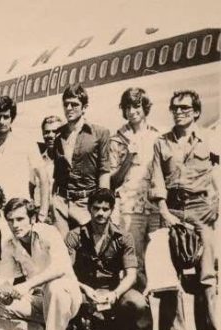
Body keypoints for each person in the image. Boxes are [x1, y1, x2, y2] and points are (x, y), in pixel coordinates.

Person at [149, 90, 217, 330]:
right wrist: (164, 211)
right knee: (170, 274)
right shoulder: (161, 143)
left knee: (206, 274)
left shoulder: (209, 139)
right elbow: (157, 179)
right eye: (175, 108)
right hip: (173, 208)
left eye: (185, 108)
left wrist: (217, 203)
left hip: (201, 209)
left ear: (196, 112)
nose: (179, 112)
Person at [0, 198, 82, 330]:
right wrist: (3, 290)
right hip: (38, 301)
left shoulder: (49, 232)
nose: (15, 225)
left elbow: (60, 267)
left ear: (32, 218)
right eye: (10, 220)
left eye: (20, 219)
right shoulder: (10, 244)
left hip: (66, 298)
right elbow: (4, 277)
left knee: (54, 287)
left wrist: (26, 285)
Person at [65, 189, 151, 330]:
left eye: (105, 209)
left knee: (137, 302)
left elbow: (131, 275)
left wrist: (115, 294)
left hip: (111, 290)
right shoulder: (74, 236)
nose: (100, 213)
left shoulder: (124, 237)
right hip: (84, 292)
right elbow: (65, 272)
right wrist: (84, 288)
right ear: (89, 208)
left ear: (111, 210)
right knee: (67, 298)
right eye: (96, 208)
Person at [108, 88, 163, 292]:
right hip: (130, 209)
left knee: (159, 260)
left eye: (136, 106)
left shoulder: (158, 137)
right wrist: (129, 158)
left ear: (145, 107)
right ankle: (140, 308)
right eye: (127, 107)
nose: (132, 111)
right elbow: (112, 180)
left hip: (155, 208)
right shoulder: (117, 140)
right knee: (135, 262)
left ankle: (161, 308)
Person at [0, 95, 50, 223]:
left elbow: (43, 178)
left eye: (6, 117)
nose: (1, 121)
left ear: (12, 118)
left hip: (20, 213)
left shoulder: (26, 142)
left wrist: (43, 211)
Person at [50, 84, 111, 236]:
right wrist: (53, 200)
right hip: (61, 203)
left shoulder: (100, 133)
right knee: (62, 247)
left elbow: (104, 171)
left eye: (74, 104)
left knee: (90, 244)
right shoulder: (58, 135)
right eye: (66, 104)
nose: (69, 108)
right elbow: (56, 174)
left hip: (86, 203)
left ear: (84, 107)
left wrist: (103, 204)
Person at [31, 116, 63, 209]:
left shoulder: (69, 161)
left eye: (55, 132)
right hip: (39, 212)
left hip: (61, 213)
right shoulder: (36, 160)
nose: (50, 135)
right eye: (47, 132)